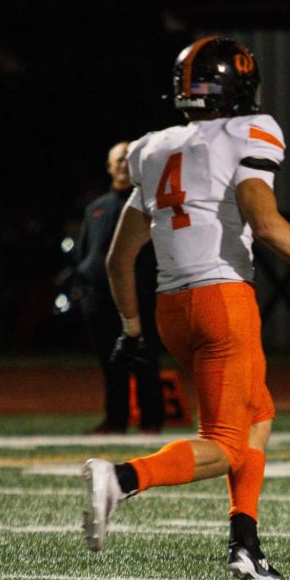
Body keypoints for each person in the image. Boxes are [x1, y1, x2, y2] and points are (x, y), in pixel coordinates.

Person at [81, 36, 290, 580]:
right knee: (224, 443)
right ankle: (122, 478)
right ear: (240, 85)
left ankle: (244, 543)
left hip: (169, 308)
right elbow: (265, 224)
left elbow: (118, 258)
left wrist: (130, 330)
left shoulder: (148, 148)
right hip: (222, 300)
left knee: (259, 414)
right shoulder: (251, 129)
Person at [73, 141, 164, 435]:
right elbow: (86, 251)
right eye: (118, 160)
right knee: (111, 362)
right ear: (109, 166)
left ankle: (151, 420)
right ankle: (116, 419)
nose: (123, 165)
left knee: (144, 358)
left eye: (128, 159)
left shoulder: (148, 205)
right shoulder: (96, 208)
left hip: (137, 296)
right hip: (100, 299)